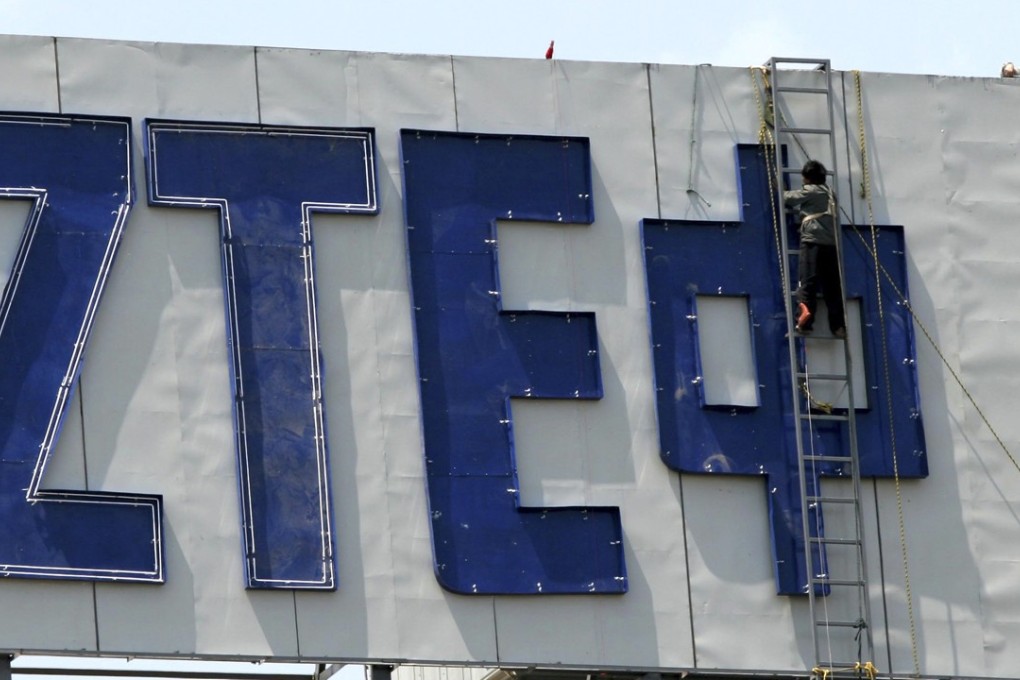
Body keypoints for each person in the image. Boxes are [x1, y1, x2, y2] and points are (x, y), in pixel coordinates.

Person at [783, 160, 846, 337]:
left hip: (812, 243)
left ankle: (804, 323)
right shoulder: (830, 193)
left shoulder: (811, 191)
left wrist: (780, 189)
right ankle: (838, 326)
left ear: (808, 178)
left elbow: (788, 199)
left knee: (807, 283)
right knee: (832, 287)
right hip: (831, 245)